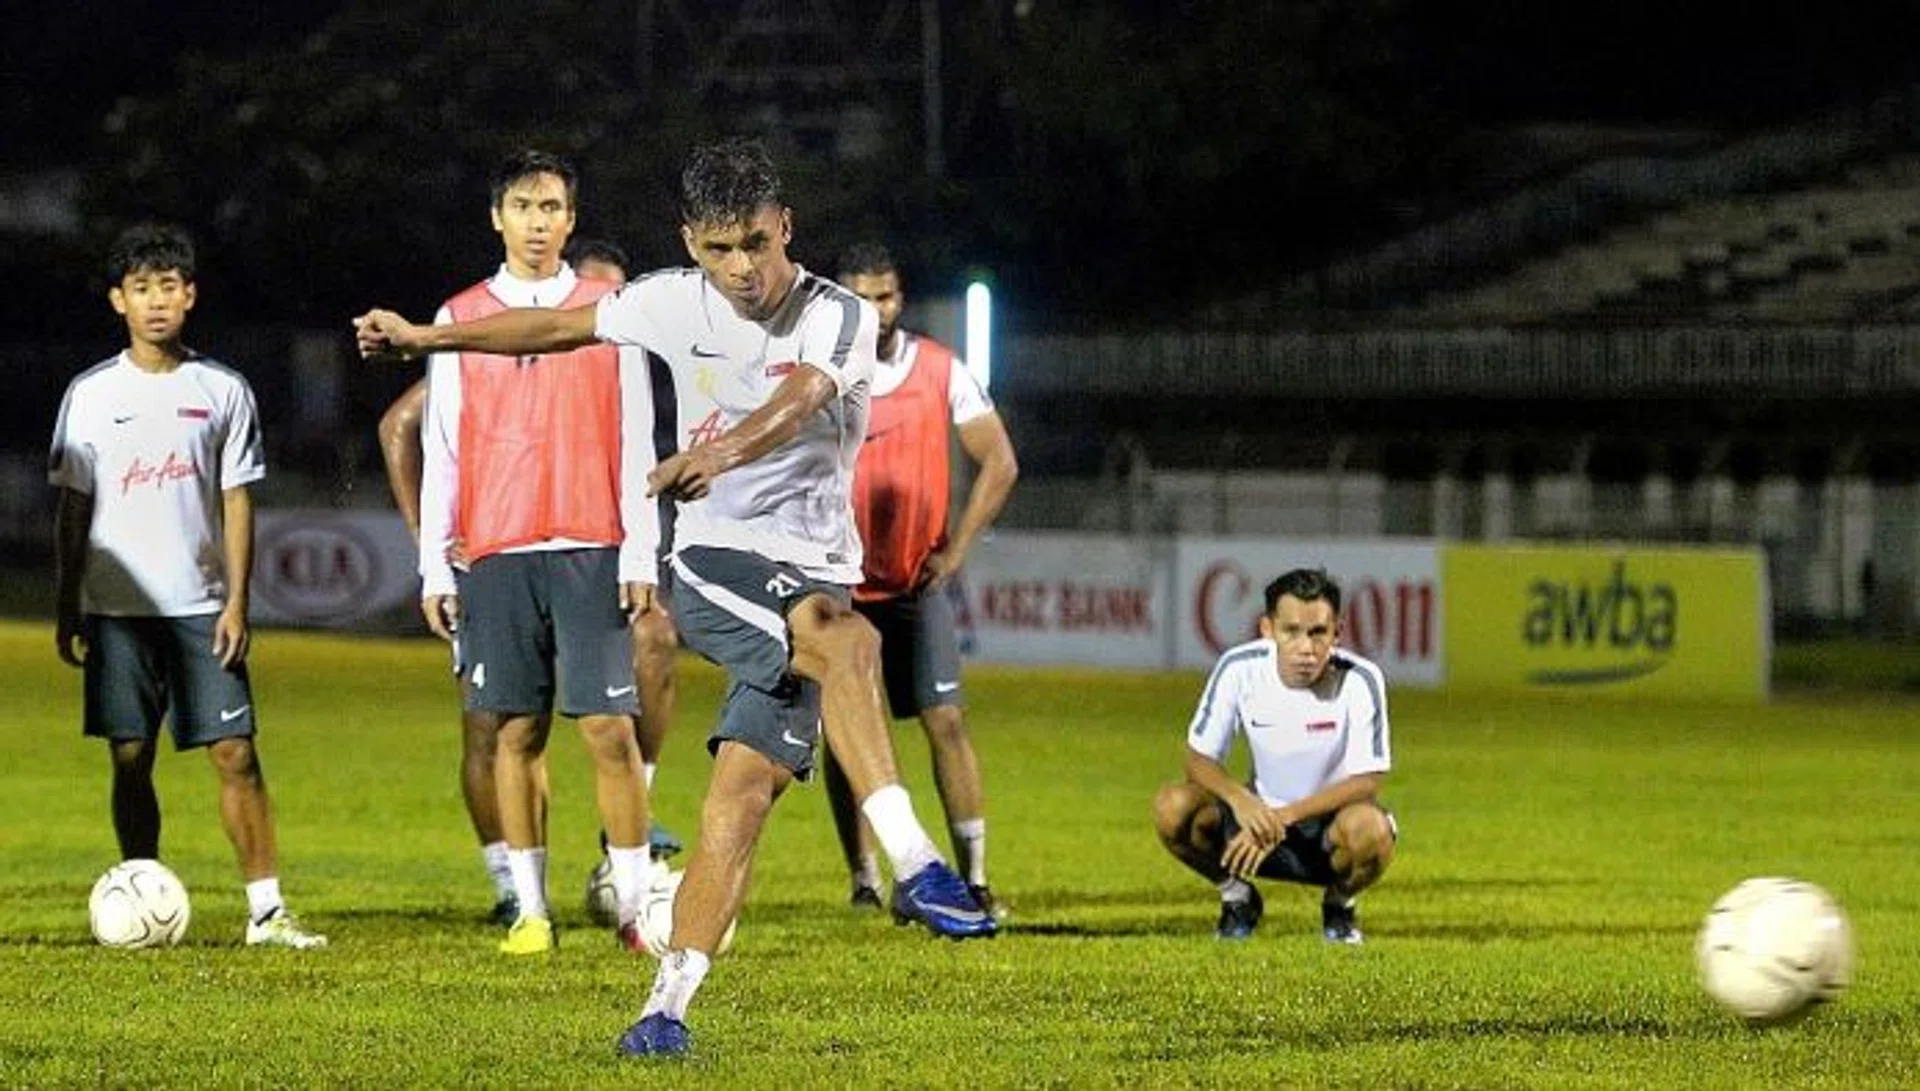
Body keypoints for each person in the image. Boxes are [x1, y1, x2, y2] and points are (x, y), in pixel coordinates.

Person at [354, 137, 997, 1060]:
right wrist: (432, 338)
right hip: (713, 563)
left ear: (786, 229)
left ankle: (665, 1008)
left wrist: (717, 449)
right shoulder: (666, 301)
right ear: (690, 240)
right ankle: (918, 864)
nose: (741, 270)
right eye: (718, 249)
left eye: (756, 245)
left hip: (809, 566)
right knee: (847, 640)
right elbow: (554, 328)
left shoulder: (838, 314)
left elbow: (809, 396)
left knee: (740, 793)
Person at [374, 232, 679, 931]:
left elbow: (638, 432)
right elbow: (437, 442)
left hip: (590, 543)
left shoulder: (616, 313)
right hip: (496, 549)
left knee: (607, 727)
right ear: (496, 217)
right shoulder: (459, 318)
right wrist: (433, 561)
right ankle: (530, 909)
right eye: (523, 205)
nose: (537, 221)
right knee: (511, 729)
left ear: (568, 218)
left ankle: (635, 910)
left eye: (550, 206)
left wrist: (639, 549)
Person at [49, 222, 327, 949]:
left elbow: (237, 498)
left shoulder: (222, 390)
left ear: (190, 295)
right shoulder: (89, 395)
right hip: (115, 608)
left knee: (235, 752)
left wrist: (238, 600)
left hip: (203, 607)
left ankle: (267, 911)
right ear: (119, 301)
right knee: (129, 755)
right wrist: (66, 602)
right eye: (141, 289)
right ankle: (142, 890)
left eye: (169, 287)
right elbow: (73, 507)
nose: (156, 302)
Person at [823, 242, 1019, 918]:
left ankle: (976, 874)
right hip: (839, 589)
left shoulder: (939, 369)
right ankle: (864, 876)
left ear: (900, 297)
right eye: (862, 298)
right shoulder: (816, 374)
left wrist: (958, 548)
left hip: (915, 584)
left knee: (946, 720)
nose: (877, 311)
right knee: (847, 732)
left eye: (887, 296)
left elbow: (999, 461)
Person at [1151, 567, 1397, 943]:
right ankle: (1237, 898)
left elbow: (1368, 780)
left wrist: (1285, 816)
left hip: (1327, 837)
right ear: (1268, 630)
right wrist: (1243, 802)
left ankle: (1339, 906)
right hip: (1254, 828)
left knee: (1373, 832)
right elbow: (1197, 760)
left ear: (1337, 633)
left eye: (1318, 633)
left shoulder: (1361, 680)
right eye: (1291, 631)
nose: (1306, 648)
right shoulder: (1239, 668)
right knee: (1173, 807)